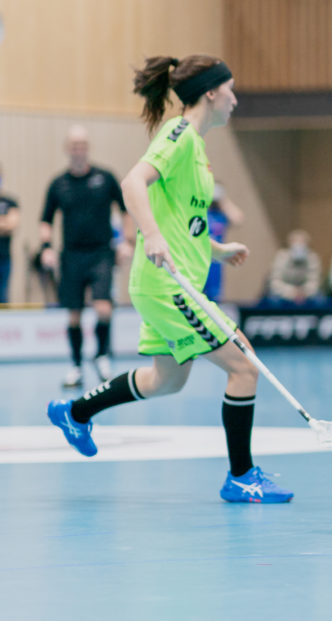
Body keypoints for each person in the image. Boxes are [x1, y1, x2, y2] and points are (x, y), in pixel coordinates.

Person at [46, 55, 292, 504]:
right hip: (168, 284)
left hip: (170, 281)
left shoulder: (197, 147)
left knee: (167, 380)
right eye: (232, 90)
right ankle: (241, 475)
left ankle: (74, 411)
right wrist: (153, 236)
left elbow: (184, 219)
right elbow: (132, 182)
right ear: (212, 93)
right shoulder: (178, 134)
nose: (236, 99)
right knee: (244, 365)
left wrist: (218, 250)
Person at [40, 126, 132, 387]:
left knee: (103, 307)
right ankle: (76, 367)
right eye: (74, 145)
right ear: (67, 149)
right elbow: (45, 219)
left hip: (102, 252)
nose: (78, 149)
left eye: (82, 145)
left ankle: (102, 357)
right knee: (74, 315)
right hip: (71, 255)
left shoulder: (105, 178)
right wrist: (46, 247)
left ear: (87, 148)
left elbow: (125, 209)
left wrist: (127, 241)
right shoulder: (59, 184)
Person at [203, 184, 244, 302]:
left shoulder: (220, 216)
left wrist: (223, 199)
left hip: (215, 264)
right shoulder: (202, 212)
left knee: (213, 300)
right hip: (200, 259)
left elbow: (238, 219)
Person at [263, 229, 323, 305]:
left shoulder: (312, 258)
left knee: (319, 298)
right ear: (290, 243)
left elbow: (314, 281)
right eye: (296, 241)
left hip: (305, 293)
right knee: (273, 299)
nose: (299, 245)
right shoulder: (281, 257)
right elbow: (275, 281)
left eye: (302, 242)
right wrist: (292, 292)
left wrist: (304, 292)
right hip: (284, 292)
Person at [0, 163, 18, 304]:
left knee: (3, 298)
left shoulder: (9, 202)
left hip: (4, 257)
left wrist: (6, 224)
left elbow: (12, 225)